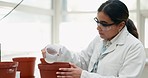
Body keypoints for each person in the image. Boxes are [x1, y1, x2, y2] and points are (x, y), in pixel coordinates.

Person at [41, 0, 146, 78]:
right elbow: (82, 60)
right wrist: (58, 52)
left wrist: (83, 75)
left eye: (104, 24)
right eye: (98, 21)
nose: (98, 27)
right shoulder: (99, 40)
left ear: (121, 25)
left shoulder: (134, 47)